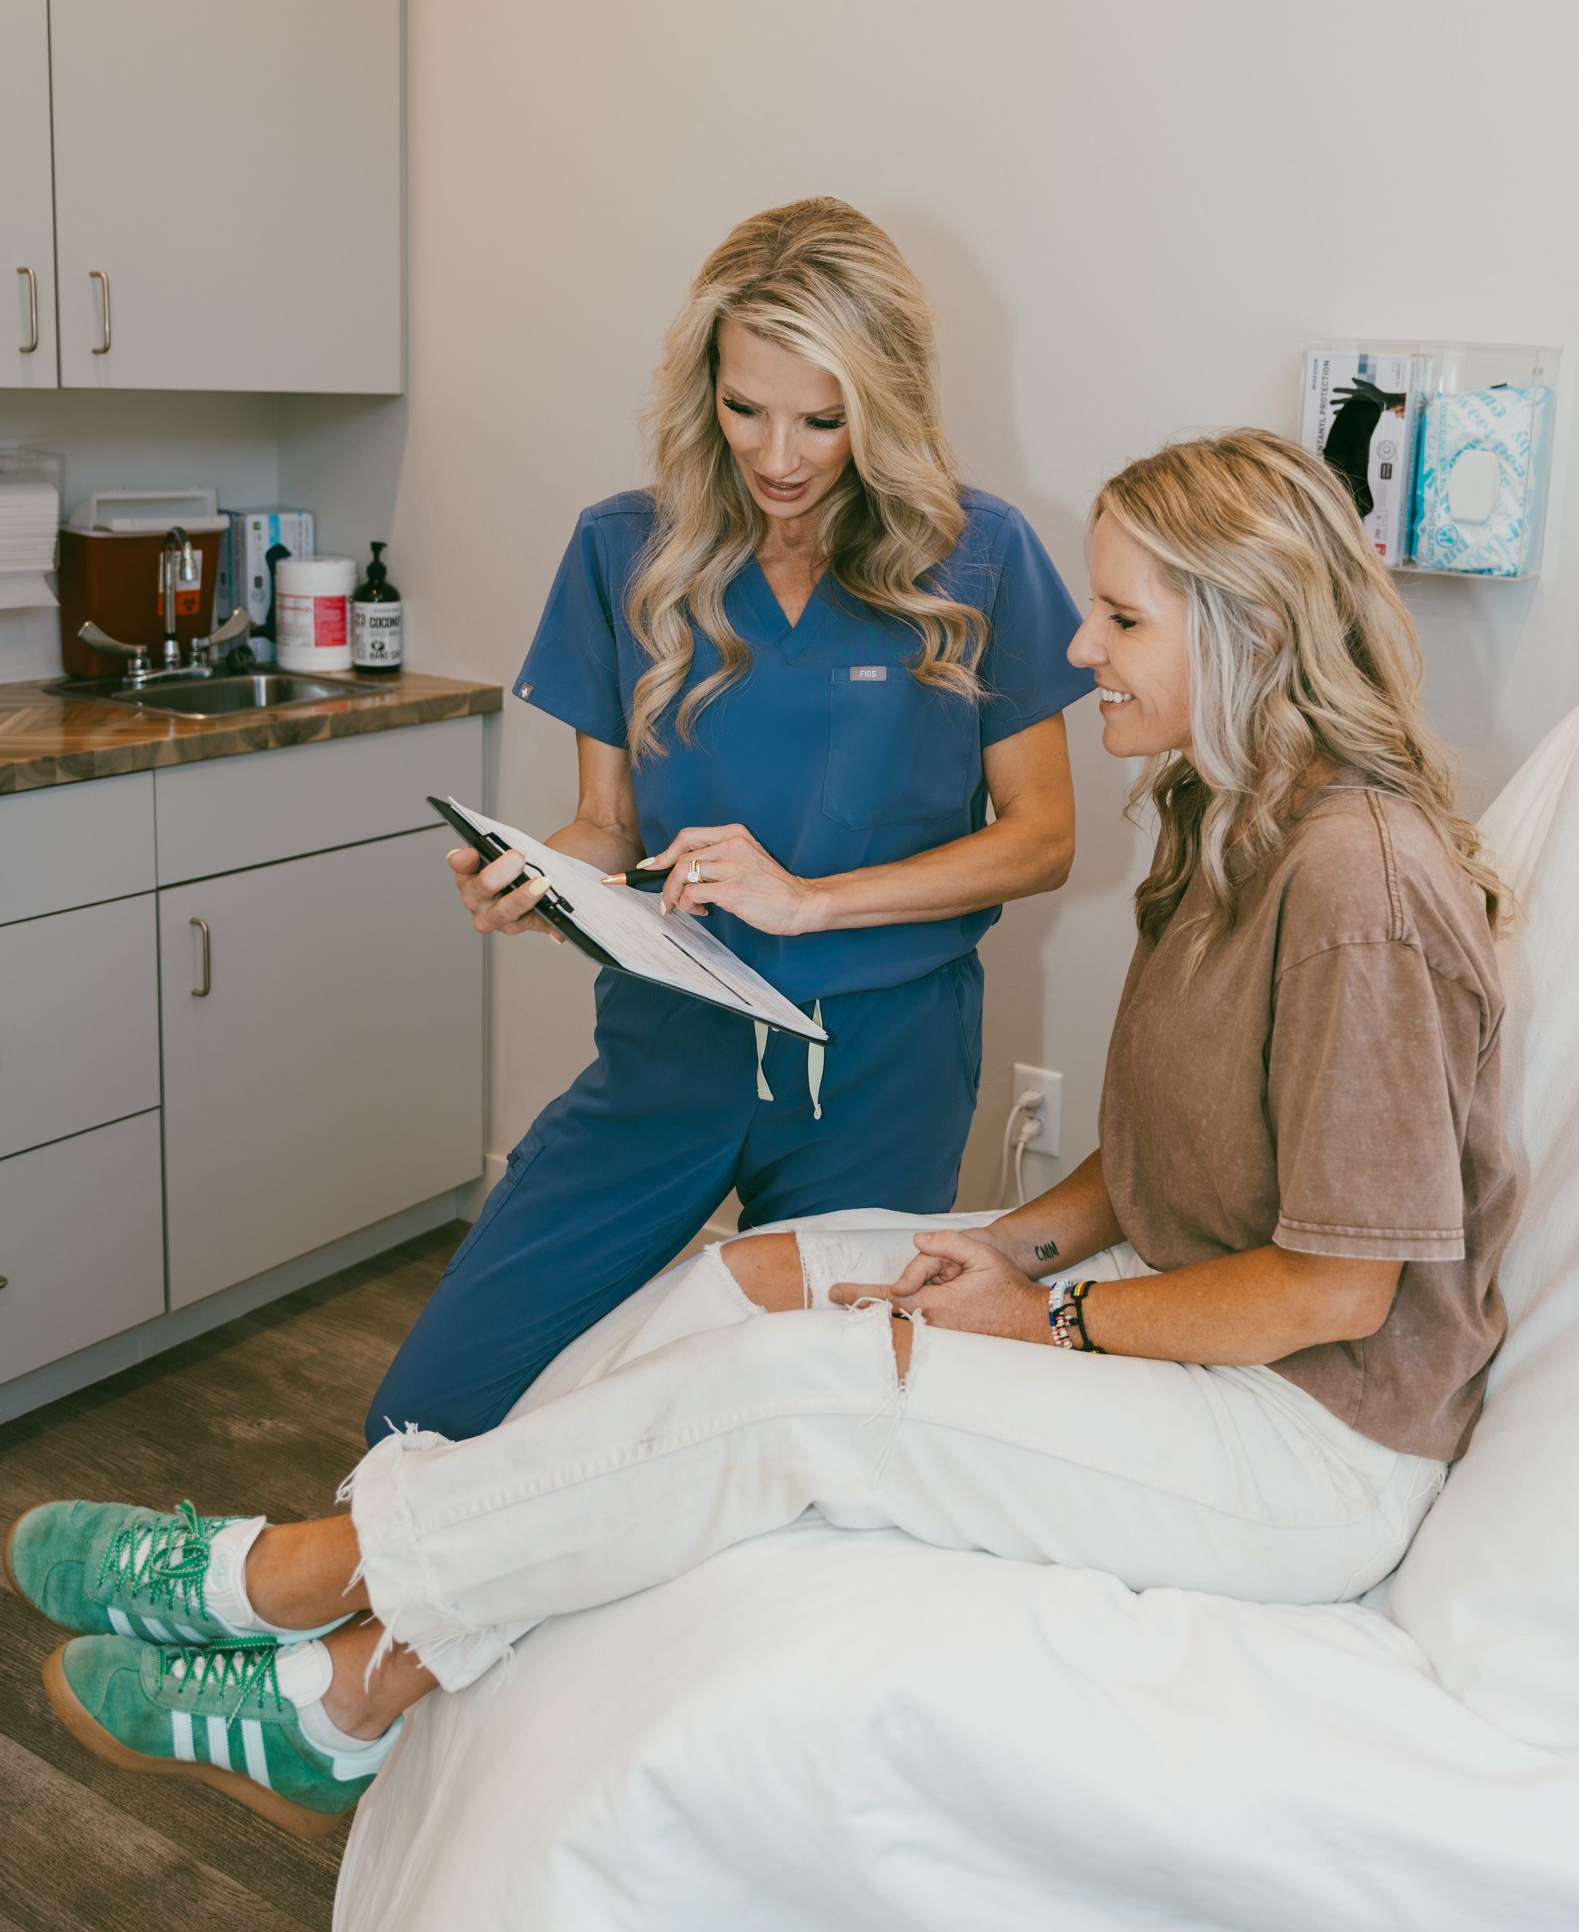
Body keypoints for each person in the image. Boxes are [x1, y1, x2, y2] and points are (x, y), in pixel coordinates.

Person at [10, 430, 1519, 1838]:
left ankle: (321, 1630)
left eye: (1119, 623)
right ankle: (361, 1606)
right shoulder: (1226, 825)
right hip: (1196, 1328)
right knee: (757, 1279)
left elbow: (1340, 1291)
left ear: (1245, 633)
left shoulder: (1356, 893)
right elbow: (1165, 1159)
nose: (1074, 651)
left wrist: (1048, 1320)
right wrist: (995, 1247)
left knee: (803, 1395)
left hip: (1311, 1441)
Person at [368, 197, 1091, 1442]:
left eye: (823, 418)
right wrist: (542, 878)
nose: (780, 455)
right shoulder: (623, 550)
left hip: (883, 1062)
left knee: (812, 1426)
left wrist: (811, 902)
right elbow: (607, 824)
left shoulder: (979, 557)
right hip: (673, 1034)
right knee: (438, 1406)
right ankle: (375, 1607)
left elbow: (1041, 838)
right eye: (745, 406)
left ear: (888, 400)